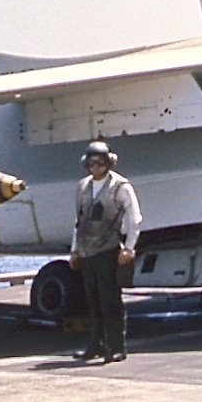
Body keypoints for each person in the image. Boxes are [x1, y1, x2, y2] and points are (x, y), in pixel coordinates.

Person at [70, 140, 141, 363]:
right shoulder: (82, 187)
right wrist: (74, 250)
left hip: (108, 250)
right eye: (92, 163)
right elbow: (78, 221)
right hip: (87, 251)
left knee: (110, 301)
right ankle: (95, 345)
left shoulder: (121, 187)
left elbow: (134, 218)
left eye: (101, 162)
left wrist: (129, 247)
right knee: (93, 301)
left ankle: (117, 347)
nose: (96, 167)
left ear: (109, 162)